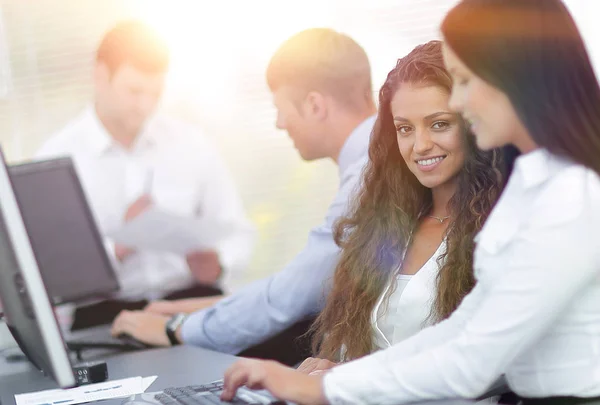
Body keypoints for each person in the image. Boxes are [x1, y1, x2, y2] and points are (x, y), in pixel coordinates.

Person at [220, 1, 600, 404]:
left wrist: (322, 390)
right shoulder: (532, 183)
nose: (459, 102)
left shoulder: (571, 195)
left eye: (466, 81)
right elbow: (461, 330)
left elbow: (471, 361)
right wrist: (327, 380)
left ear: (514, 77)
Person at [110, 28, 378, 363]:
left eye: (280, 109)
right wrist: (215, 307)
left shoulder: (369, 176)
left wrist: (176, 328)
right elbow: (300, 282)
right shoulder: (374, 160)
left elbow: (293, 294)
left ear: (314, 105)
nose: (280, 124)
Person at [296, 40, 505, 376]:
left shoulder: (504, 229)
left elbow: (485, 365)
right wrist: (333, 368)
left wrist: (357, 383)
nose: (420, 146)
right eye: (405, 129)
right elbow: (365, 347)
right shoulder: (386, 227)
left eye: (439, 124)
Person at [36, 20, 255, 330]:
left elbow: (237, 230)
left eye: (155, 93)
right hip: (104, 316)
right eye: (134, 91)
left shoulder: (192, 144)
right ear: (100, 76)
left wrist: (220, 263)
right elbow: (50, 272)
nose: (145, 105)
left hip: (190, 305)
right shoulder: (56, 157)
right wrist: (118, 248)